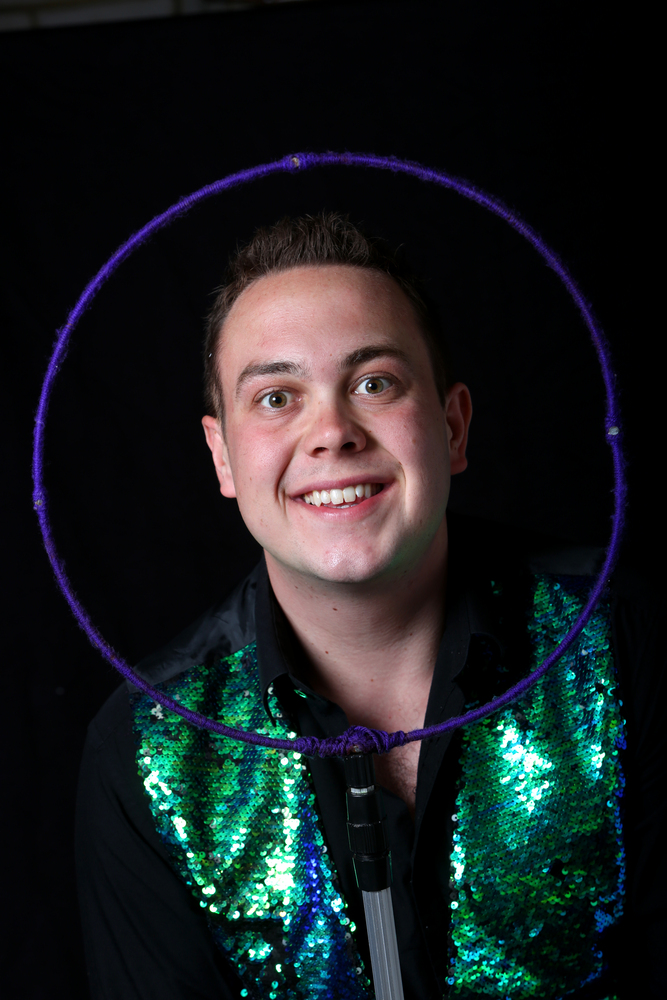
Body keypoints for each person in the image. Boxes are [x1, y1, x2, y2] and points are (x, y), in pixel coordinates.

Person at [76, 214, 664, 1000]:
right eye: (276, 396)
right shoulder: (147, 749)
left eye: (373, 383)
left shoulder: (618, 639)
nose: (331, 433)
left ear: (452, 427)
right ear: (223, 457)